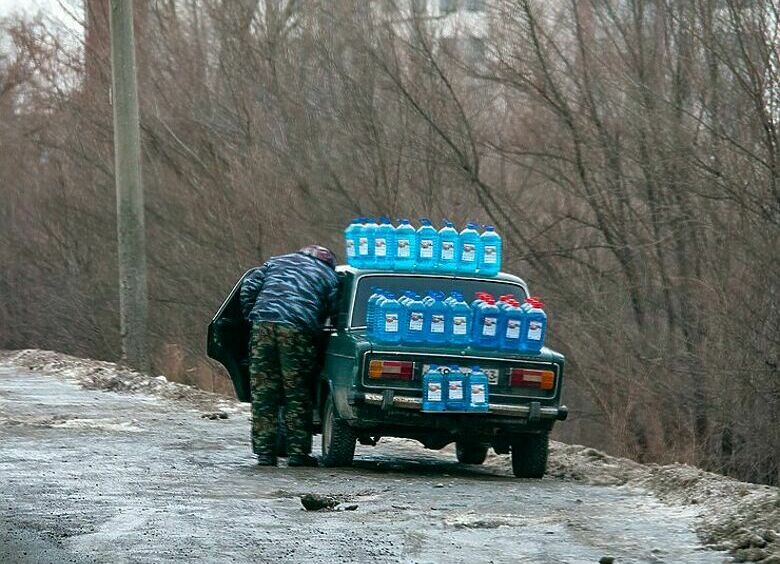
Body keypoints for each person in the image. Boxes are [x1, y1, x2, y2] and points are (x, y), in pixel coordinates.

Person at [240, 245, 339, 467]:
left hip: (262, 326)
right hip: (298, 329)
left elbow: (249, 286)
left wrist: (251, 316)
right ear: (328, 261)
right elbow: (335, 311)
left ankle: (265, 454)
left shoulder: (276, 261)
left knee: (264, 392)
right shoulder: (328, 275)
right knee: (297, 392)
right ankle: (297, 454)